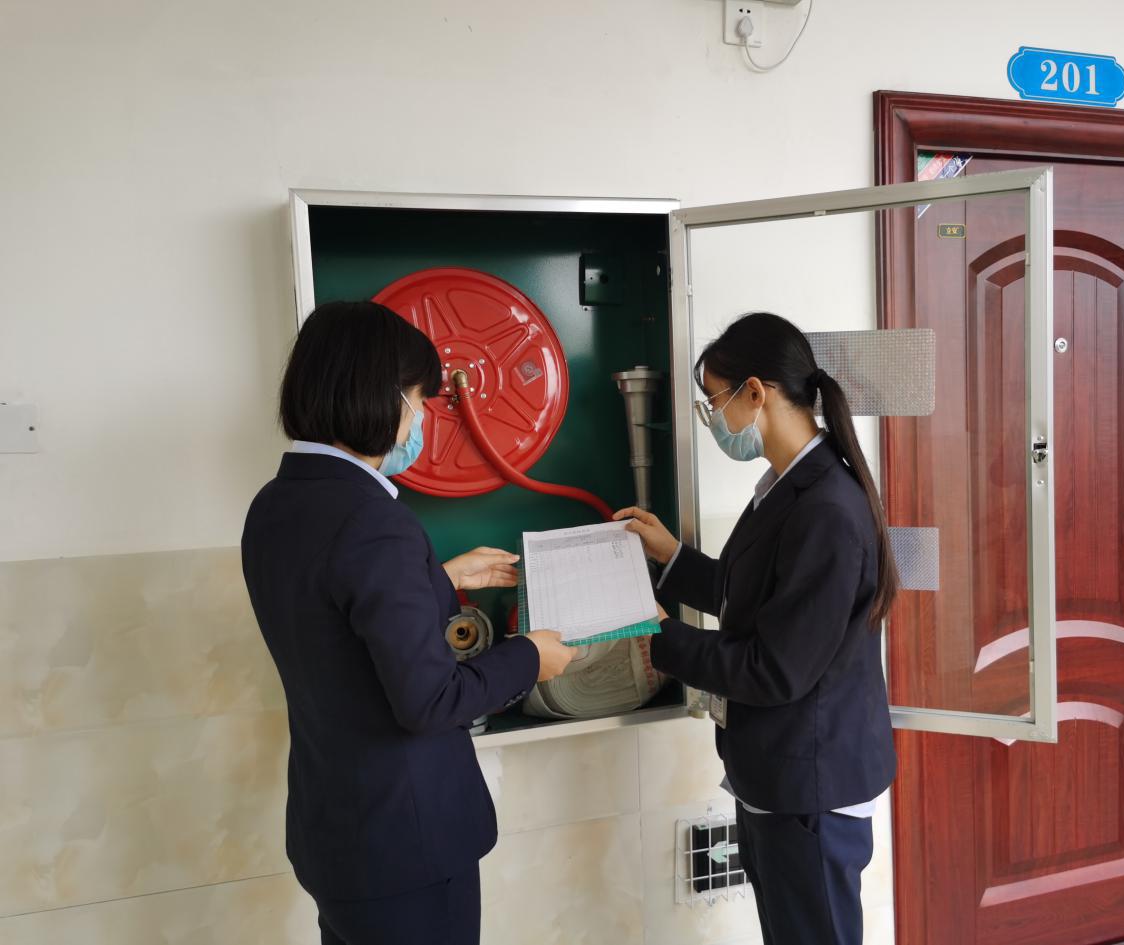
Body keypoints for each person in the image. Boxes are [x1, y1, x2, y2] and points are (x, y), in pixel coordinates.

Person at [241, 300, 573, 945]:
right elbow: (429, 702)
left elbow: (333, 619)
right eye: (419, 400)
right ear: (380, 395)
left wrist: (438, 579)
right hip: (406, 846)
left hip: (336, 831)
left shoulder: (277, 503)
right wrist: (531, 656)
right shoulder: (372, 520)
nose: (420, 419)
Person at [616, 311, 897, 945]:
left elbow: (775, 668)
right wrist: (672, 558)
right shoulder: (785, 484)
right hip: (779, 775)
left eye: (712, 401)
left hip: (812, 787)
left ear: (754, 393)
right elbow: (753, 596)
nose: (712, 418)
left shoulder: (826, 508)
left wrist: (660, 637)